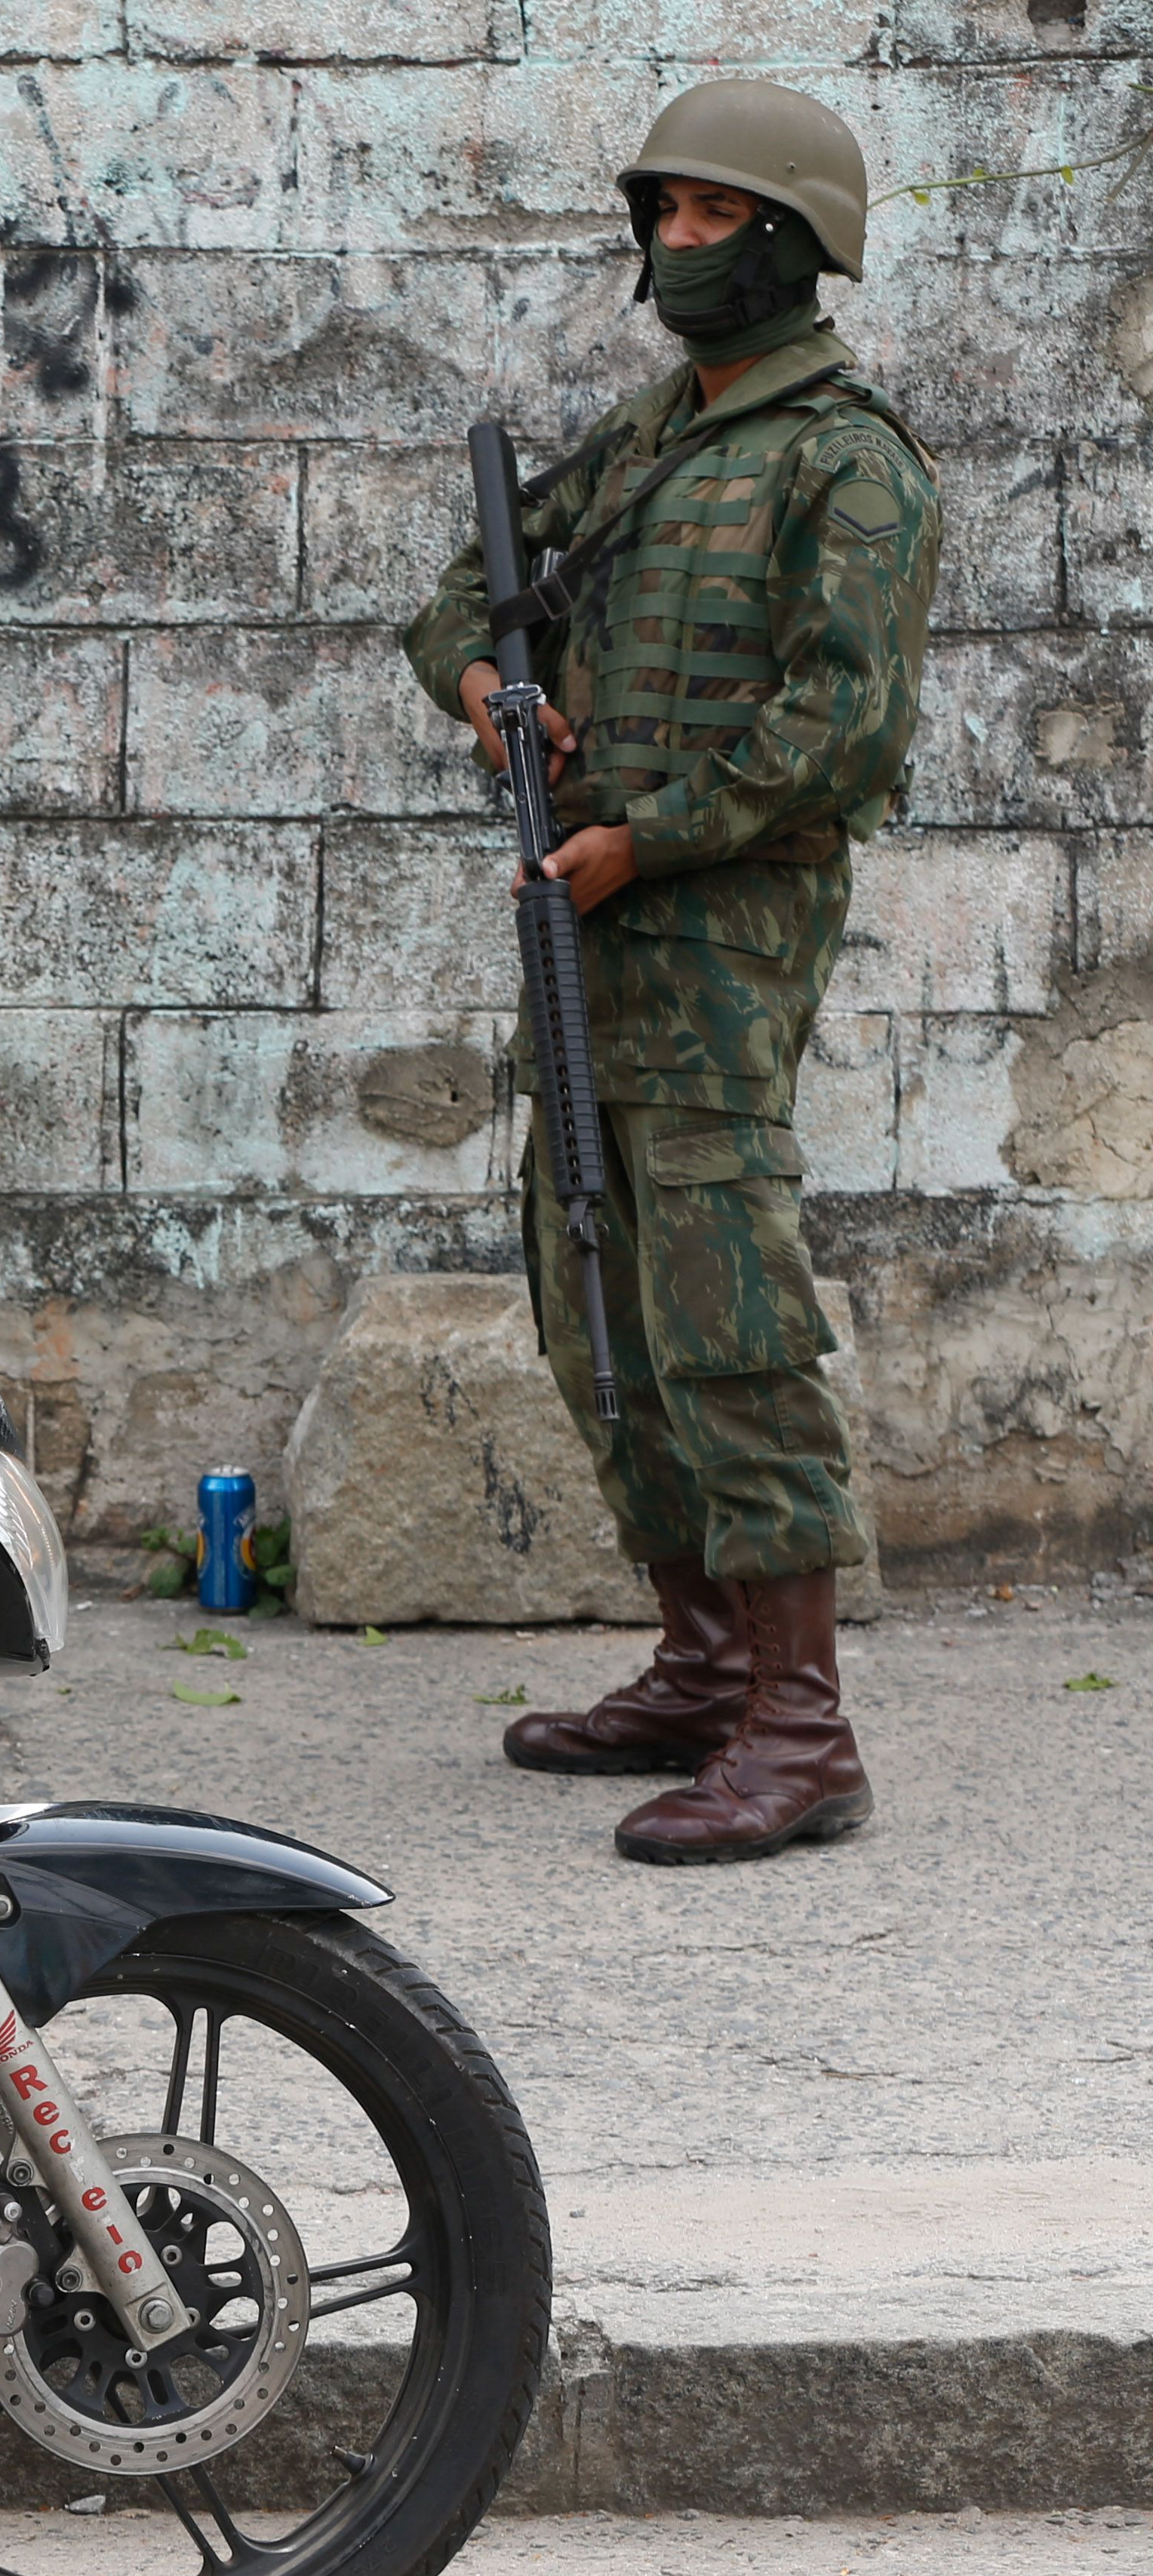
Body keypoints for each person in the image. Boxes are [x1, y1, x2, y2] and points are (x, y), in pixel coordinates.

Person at [404, 79, 939, 1865]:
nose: (676, 245)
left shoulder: (843, 460)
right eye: (666, 215)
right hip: (586, 921)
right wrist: (501, 701)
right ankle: (705, 1662)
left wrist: (648, 835)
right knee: (595, 1298)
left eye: (714, 219)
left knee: (728, 1323)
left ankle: (806, 1729)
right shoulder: (652, 440)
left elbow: (842, 733)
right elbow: (453, 608)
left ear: (793, 245)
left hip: (711, 943)